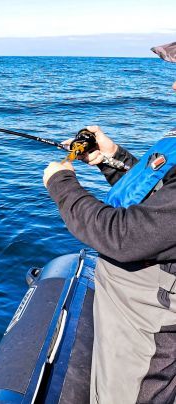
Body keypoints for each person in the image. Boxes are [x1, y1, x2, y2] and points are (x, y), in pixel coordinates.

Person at [43, 42, 176, 404]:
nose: (174, 87)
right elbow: (158, 201)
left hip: (150, 324)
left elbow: (122, 236)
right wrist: (109, 158)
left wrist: (62, 183)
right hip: (131, 307)